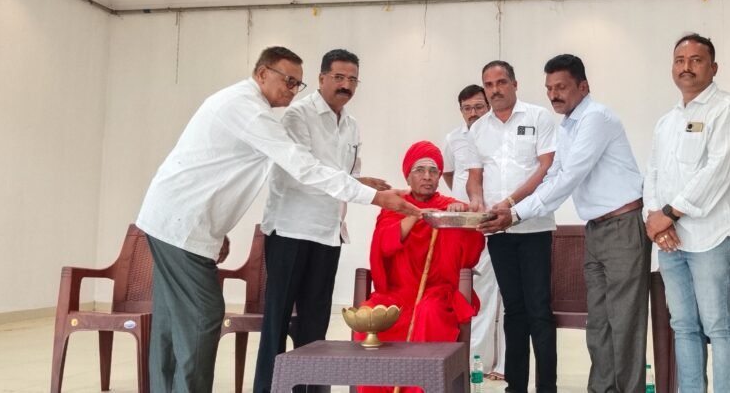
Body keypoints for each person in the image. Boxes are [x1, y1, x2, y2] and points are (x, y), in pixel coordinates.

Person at [135, 46, 419, 392]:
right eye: (288, 81)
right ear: (262, 74)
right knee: (203, 316)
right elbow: (302, 167)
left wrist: (215, 230)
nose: (292, 89)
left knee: (172, 325)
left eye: (297, 83)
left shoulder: (261, 109)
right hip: (197, 223)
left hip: (189, 221)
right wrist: (374, 197)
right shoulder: (254, 112)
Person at [480, 54, 650, 393]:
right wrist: (513, 208)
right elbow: (554, 175)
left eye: (561, 87)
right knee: (599, 323)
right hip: (596, 228)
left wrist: (515, 214)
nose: (554, 94)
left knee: (624, 323)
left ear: (583, 86)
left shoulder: (596, 118)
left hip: (622, 226)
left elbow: (570, 177)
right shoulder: (569, 125)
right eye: (549, 88)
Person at [253, 48, 392, 393]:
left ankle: (311, 389)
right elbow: (305, 172)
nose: (346, 85)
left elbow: (345, 174)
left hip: (329, 233)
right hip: (291, 230)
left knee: (315, 326)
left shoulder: (351, 124)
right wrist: (363, 191)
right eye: (339, 77)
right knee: (276, 324)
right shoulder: (297, 116)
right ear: (321, 78)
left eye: (352, 79)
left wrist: (360, 182)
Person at [644, 34, 730, 393]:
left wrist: (669, 214)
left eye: (696, 60)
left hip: (713, 236)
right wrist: (655, 221)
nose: (686, 67)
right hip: (671, 241)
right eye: (680, 60)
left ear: (713, 67)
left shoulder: (728, 110)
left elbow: (718, 171)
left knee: (718, 325)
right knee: (683, 325)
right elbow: (653, 174)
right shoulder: (667, 120)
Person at [356, 141, 486, 393]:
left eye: (433, 171)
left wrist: (456, 220)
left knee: (428, 312)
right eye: (420, 170)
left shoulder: (449, 206)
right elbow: (383, 246)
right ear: (407, 176)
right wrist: (416, 216)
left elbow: (470, 255)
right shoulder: (394, 205)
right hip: (396, 293)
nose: (427, 176)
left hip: (436, 292)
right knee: (370, 317)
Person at [466, 60, 558, 392]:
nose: (495, 90)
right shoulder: (478, 129)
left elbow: (546, 167)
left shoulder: (538, 117)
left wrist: (510, 202)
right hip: (498, 232)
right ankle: (515, 386)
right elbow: (475, 178)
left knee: (539, 311)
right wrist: (477, 202)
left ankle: (547, 388)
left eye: (501, 82)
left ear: (515, 84)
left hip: (534, 228)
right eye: (489, 85)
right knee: (514, 311)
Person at [443, 84, 506, 381]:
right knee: (470, 293)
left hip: (494, 223)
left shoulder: (498, 135)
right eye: (467, 108)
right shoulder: (453, 138)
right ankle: (471, 359)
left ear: (488, 106)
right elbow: (450, 173)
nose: (473, 113)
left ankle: (494, 363)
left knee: (496, 296)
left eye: (479, 107)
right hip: (464, 228)